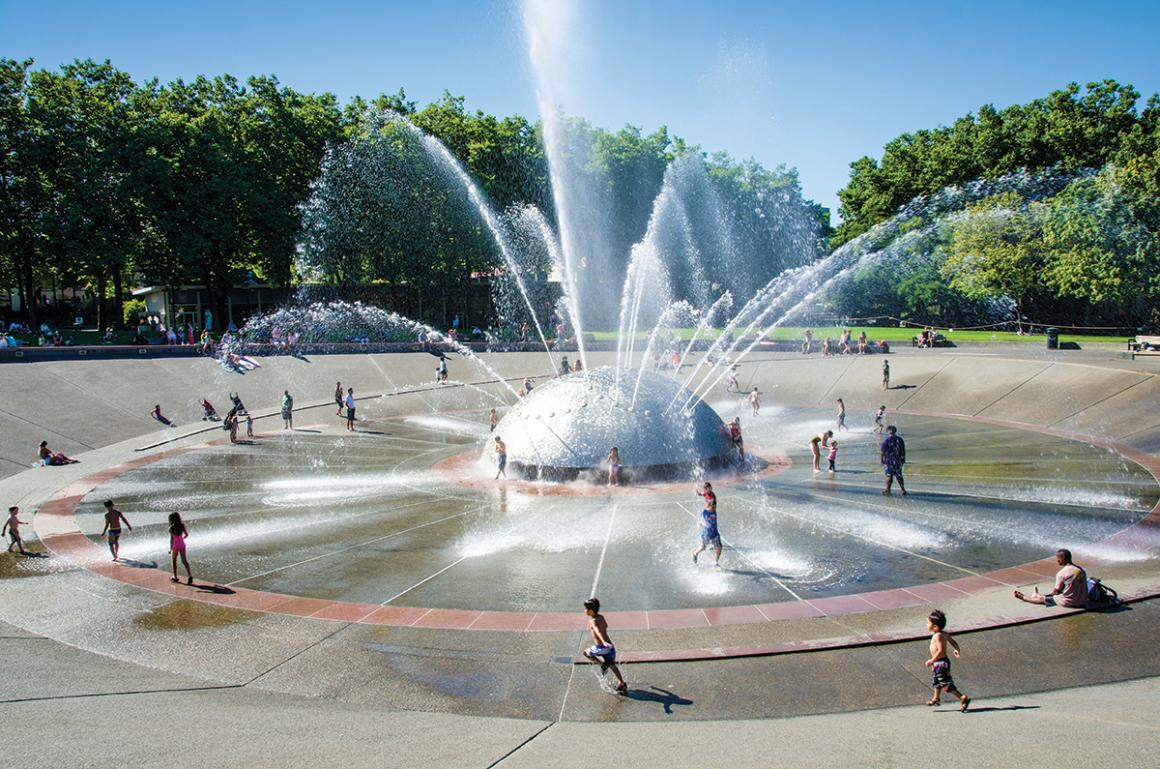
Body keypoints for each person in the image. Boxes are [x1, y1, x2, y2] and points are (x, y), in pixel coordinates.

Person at [925, 609, 970, 711]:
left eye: (928, 623)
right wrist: (956, 649)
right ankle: (936, 698)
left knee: (945, 683)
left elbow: (940, 650)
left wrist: (932, 660)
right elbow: (953, 642)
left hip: (940, 663)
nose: (926, 625)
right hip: (940, 662)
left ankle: (962, 697)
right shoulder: (944, 634)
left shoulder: (938, 636)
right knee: (937, 681)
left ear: (935, 626)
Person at [582, 597, 628, 694]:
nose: (584, 611)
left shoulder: (593, 621)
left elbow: (598, 631)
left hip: (602, 647)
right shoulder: (601, 617)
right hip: (610, 647)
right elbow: (605, 626)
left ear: (590, 611)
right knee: (612, 665)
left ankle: (602, 665)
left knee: (586, 652)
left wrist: (602, 641)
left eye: (586, 609)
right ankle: (622, 683)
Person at [1013, 549, 1088, 607]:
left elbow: (1056, 592)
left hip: (1071, 602)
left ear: (1063, 558)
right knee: (1062, 593)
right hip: (1083, 600)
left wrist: (1045, 596)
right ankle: (1036, 595)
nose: (1057, 560)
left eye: (1058, 558)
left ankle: (1024, 597)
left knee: (1043, 599)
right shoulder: (1080, 569)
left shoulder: (1062, 573)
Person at [692, 482, 721, 568]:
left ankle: (716, 562)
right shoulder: (705, 513)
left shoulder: (711, 497)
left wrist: (699, 493)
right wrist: (700, 523)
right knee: (703, 547)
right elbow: (701, 521)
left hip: (714, 531)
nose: (713, 505)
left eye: (710, 487)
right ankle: (695, 553)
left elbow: (703, 494)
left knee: (719, 547)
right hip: (707, 533)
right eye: (708, 488)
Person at [880, 425, 907, 495]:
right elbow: (903, 450)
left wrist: (881, 460)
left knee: (889, 475)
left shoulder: (886, 441)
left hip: (889, 461)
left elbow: (882, 452)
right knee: (899, 475)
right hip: (898, 460)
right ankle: (902, 489)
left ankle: (888, 490)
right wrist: (903, 458)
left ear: (888, 432)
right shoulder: (900, 440)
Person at [168, 512, 192, 584]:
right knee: (184, 561)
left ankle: (175, 577)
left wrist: (171, 549)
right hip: (182, 544)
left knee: (174, 560)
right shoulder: (182, 525)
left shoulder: (171, 528)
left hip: (175, 545)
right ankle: (190, 575)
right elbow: (187, 535)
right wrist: (181, 539)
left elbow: (171, 540)